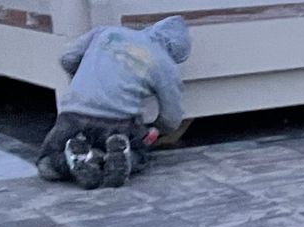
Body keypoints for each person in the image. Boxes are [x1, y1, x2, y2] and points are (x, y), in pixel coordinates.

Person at [37, 16, 192, 188]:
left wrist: (85, 76)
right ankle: (124, 157)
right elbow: (172, 118)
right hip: (120, 122)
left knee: (46, 164)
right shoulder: (165, 64)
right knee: (140, 154)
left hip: (73, 115)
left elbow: (67, 58)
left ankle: (72, 159)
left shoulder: (107, 32)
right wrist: (156, 129)